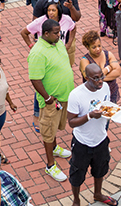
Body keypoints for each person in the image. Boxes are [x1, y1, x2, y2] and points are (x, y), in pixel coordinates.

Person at [28, 18, 74, 182]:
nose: (59, 35)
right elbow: (35, 79)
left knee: (54, 128)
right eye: (56, 33)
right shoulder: (37, 52)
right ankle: (50, 165)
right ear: (45, 33)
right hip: (51, 102)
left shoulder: (58, 42)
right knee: (48, 132)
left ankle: (55, 148)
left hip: (63, 97)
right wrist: (47, 98)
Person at [66, 63, 117, 206]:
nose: (100, 80)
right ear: (86, 77)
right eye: (96, 78)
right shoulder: (76, 95)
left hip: (100, 139)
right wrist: (89, 116)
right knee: (77, 175)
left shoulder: (105, 87)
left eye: (101, 76)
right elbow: (71, 122)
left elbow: (107, 107)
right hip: (82, 143)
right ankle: (76, 201)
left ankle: (98, 194)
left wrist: (116, 113)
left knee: (100, 169)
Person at [79, 31, 121, 105]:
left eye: (99, 45)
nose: (98, 49)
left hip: (111, 92)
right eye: (94, 47)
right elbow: (88, 78)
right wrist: (107, 69)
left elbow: (117, 72)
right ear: (87, 47)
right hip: (94, 95)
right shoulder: (84, 61)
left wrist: (98, 79)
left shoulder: (108, 54)